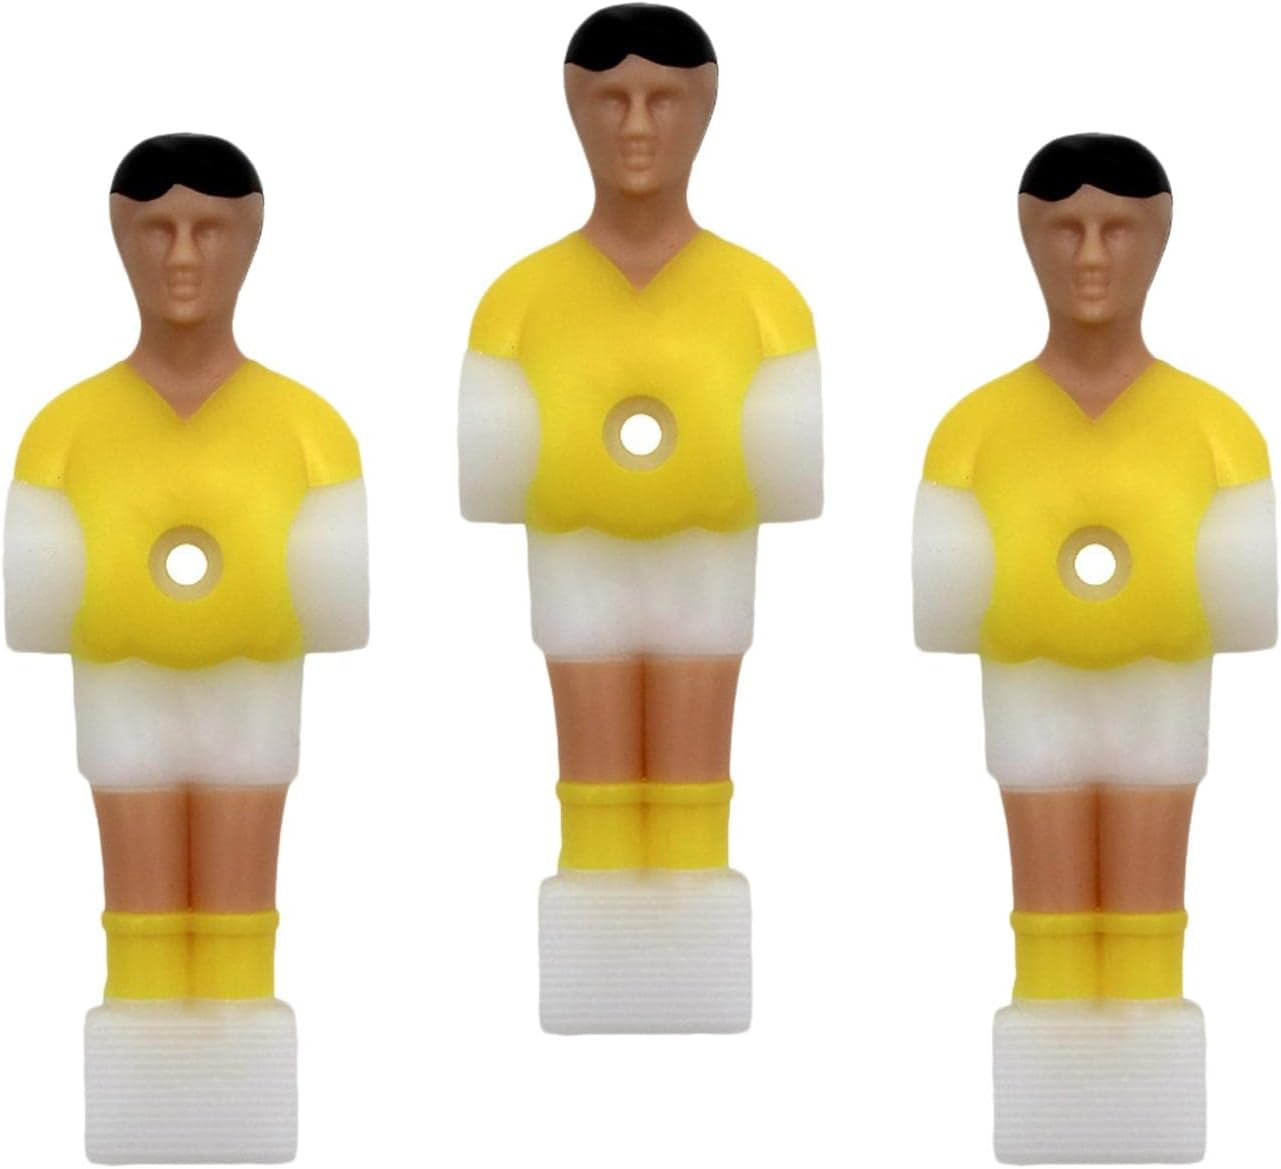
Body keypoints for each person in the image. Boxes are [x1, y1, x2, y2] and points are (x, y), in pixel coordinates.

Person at [5, 132, 368, 1162]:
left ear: (252, 238)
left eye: (209, 228)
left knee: (241, 900)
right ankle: (147, 1075)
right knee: (142, 898)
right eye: (156, 228)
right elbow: (31, 610)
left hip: (252, 707)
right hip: (124, 709)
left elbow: (340, 607)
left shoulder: (309, 429)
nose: (181, 255)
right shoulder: (63, 432)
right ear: (117, 237)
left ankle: (235, 1075)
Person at [913, 133, 1275, 1162]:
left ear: (1161, 237)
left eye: (1117, 228)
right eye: (1064, 228)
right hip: (1033, 707)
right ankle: (1056, 1077)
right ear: (1026, 237)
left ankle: (1144, 1078)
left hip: (1161, 708)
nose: (1089, 255)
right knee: (1051, 898)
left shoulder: (1218, 430)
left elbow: (1252, 608)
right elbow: (941, 607)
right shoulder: (973, 431)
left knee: (1150, 900)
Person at [460, 4, 821, 1033]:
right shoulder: (518, 303)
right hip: (578, 582)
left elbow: (793, 477)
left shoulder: (764, 301)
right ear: (572, 107)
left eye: (663, 99)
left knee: (696, 764)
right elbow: (488, 478)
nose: (635, 125)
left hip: (707, 581)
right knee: (596, 763)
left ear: (706, 107)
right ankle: (602, 931)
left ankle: (687, 933)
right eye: (610, 98)